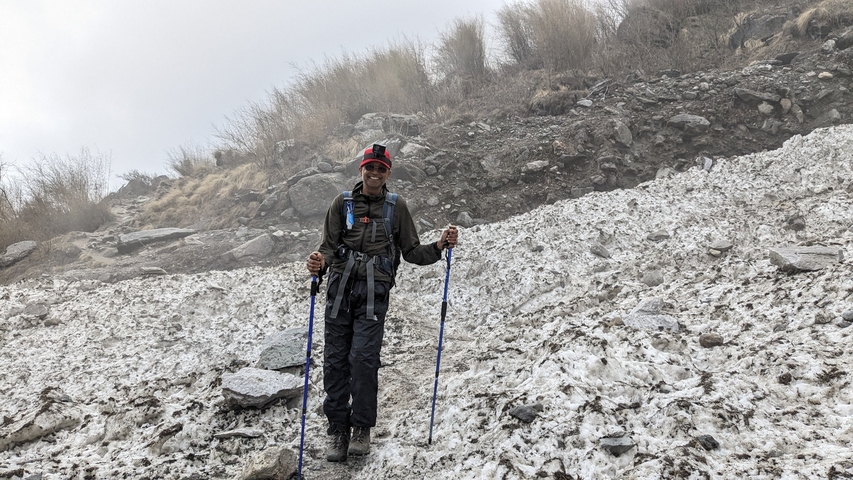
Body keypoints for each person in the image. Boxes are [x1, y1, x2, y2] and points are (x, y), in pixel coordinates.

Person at [306, 144, 458, 462]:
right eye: (369, 167)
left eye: (380, 168)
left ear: (388, 173)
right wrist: (319, 262)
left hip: (374, 297)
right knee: (335, 362)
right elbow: (329, 248)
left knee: (362, 360)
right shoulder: (341, 203)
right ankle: (337, 429)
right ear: (361, 169)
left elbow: (412, 251)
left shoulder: (396, 207)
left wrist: (439, 246)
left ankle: (361, 427)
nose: (374, 173)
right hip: (339, 293)